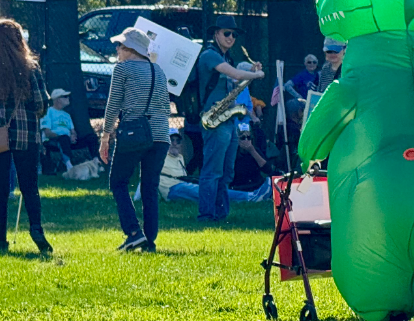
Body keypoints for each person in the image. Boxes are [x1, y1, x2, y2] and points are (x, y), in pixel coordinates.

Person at [100, 27, 172, 252]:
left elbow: (113, 104)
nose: (117, 50)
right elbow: (165, 105)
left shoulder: (122, 69)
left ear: (130, 49)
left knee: (118, 182)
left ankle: (133, 232)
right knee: (150, 186)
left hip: (134, 133)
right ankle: (149, 241)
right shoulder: (157, 70)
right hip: (161, 134)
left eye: (120, 46)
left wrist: (105, 135)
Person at [196, 14, 265, 222]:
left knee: (226, 172)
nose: (231, 38)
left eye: (234, 35)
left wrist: (248, 75)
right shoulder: (210, 55)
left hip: (227, 120)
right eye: (227, 33)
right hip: (214, 120)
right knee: (212, 170)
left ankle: (221, 213)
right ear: (216, 33)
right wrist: (256, 75)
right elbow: (235, 75)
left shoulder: (227, 58)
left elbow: (233, 83)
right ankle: (206, 214)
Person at [0, 18, 51, 255]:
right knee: (29, 187)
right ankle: (36, 228)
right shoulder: (31, 67)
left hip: (0, 137)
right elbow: (41, 103)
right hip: (26, 136)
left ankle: (1, 239)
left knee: (1, 189)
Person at [160, 129, 270, 204]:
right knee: (206, 191)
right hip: (172, 189)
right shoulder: (161, 156)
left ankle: (251, 195)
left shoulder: (180, 157)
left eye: (177, 141)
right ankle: (251, 197)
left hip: (183, 185)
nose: (175, 143)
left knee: (210, 189)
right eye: (171, 140)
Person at [41, 88, 100, 169]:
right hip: (54, 140)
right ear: (58, 99)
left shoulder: (67, 115)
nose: (68, 98)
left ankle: (96, 161)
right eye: (65, 97)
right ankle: (69, 165)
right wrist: (66, 136)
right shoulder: (48, 112)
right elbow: (47, 133)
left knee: (91, 137)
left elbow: (73, 131)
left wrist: (73, 136)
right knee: (64, 138)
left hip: (68, 140)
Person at [232, 126, 275, 192]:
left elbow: (268, 169)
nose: (246, 141)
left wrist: (252, 151)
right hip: (238, 187)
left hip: (256, 185)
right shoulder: (233, 153)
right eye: (243, 138)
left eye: (249, 138)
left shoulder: (255, 150)